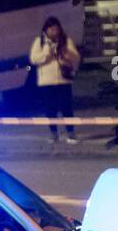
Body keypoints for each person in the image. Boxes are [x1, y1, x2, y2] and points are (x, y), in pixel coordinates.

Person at [28, 16, 81, 144]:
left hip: (63, 80)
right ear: (45, 30)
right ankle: (53, 133)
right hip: (46, 81)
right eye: (51, 29)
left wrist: (64, 52)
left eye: (56, 29)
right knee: (50, 109)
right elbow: (34, 59)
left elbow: (76, 57)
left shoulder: (65, 40)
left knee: (66, 107)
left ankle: (71, 133)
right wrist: (47, 51)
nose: (54, 32)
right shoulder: (39, 41)